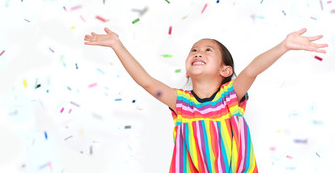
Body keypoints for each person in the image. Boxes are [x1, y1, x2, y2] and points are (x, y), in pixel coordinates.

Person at [84, 27, 327, 172]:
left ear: (225, 71)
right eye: (194, 50)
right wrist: (117, 45)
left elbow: (252, 69)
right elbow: (146, 81)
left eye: (208, 50)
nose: (198, 52)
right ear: (187, 71)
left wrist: (283, 46)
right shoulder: (181, 103)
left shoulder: (230, 97)